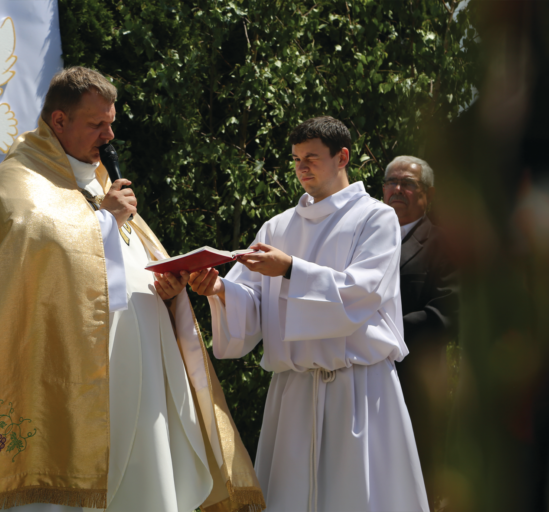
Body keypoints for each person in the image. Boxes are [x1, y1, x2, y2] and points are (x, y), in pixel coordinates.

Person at [0, 67, 264, 512]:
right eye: (97, 124)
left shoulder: (99, 180)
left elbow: (127, 262)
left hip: (138, 367)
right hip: (73, 368)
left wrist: (168, 290)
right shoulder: (17, 179)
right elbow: (35, 245)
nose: (109, 136)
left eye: (111, 123)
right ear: (59, 121)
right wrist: (102, 221)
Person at [189, 116, 429, 512]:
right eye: (297, 159)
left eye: (312, 158)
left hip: (358, 388)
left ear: (342, 157)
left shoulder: (376, 218)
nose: (302, 168)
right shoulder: (277, 227)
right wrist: (219, 290)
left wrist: (290, 270)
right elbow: (254, 302)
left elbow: (362, 293)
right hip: (294, 392)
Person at [382, 155, 458, 499]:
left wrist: (379, 334)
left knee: (413, 484)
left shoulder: (445, 245)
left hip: (416, 381)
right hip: (358, 380)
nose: (397, 189)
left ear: (429, 194)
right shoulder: (359, 240)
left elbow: (446, 314)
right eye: (391, 182)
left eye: (408, 184)